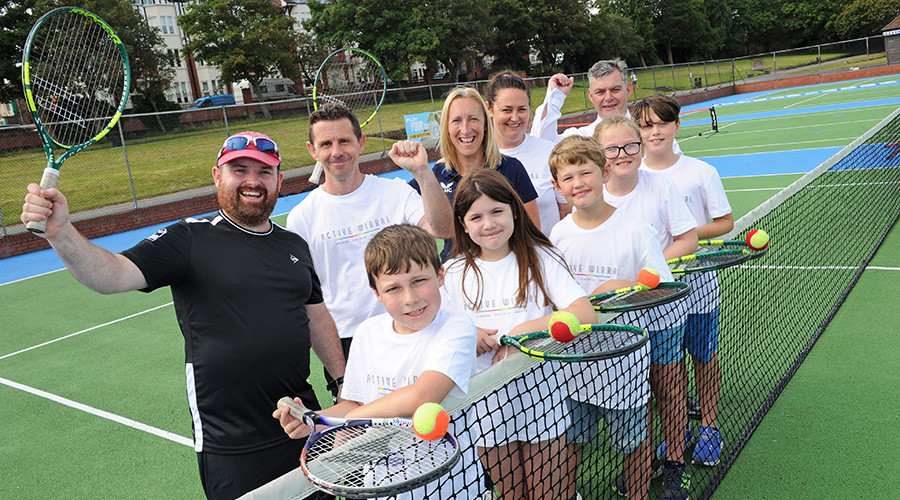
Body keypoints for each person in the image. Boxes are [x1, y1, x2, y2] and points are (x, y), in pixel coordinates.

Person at [20, 131, 347, 500]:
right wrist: (61, 233)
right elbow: (110, 275)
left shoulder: (293, 244)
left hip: (302, 423)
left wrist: (341, 382)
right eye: (239, 170)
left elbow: (316, 317)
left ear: (279, 181)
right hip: (232, 444)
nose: (253, 181)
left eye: (264, 172)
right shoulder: (188, 239)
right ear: (217, 176)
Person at [274, 223, 480, 498]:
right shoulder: (368, 333)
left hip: (450, 488)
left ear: (440, 275)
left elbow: (422, 396)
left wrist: (353, 419)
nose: (410, 298)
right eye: (393, 288)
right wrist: (317, 421)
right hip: (381, 488)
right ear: (376, 294)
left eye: (419, 280)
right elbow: (356, 404)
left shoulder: (456, 328)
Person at [440, 169, 596, 500]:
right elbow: (440, 334)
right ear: (463, 223)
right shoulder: (453, 273)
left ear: (514, 209)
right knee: (513, 494)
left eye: (497, 211)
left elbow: (584, 313)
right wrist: (470, 334)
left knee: (550, 494)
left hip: (542, 399)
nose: (489, 223)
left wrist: (519, 334)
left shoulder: (542, 258)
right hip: (486, 407)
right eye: (476, 216)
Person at [548, 135, 682, 499]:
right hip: (573, 362)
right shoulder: (558, 235)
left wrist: (617, 286)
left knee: (633, 444)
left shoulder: (636, 230)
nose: (579, 183)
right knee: (569, 441)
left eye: (586, 172)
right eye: (568, 177)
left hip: (624, 363)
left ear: (605, 172)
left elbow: (665, 289)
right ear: (557, 187)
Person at [286, 103, 454, 393]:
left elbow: (442, 229)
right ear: (312, 150)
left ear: (360, 143)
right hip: (349, 345)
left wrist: (422, 170)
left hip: (413, 325)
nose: (336, 151)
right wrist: (341, 377)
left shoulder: (396, 192)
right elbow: (308, 303)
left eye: (344, 141)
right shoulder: (301, 217)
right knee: (365, 434)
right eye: (326, 143)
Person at [593, 116, 698, 500]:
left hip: (662, 314)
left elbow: (687, 240)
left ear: (640, 146)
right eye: (612, 149)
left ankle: (673, 462)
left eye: (630, 146)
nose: (623, 155)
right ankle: (640, 464)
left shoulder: (660, 185)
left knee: (668, 389)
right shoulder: (593, 191)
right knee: (634, 397)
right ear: (599, 154)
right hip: (617, 323)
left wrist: (647, 276)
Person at [633, 94, 734, 468]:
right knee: (666, 370)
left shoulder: (700, 172)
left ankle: (708, 426)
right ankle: (677, 435)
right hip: (654, 295)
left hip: (699, 286)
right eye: (646, 125)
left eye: (661, 123)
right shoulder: (630, 176)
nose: (654, 131)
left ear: (676, 126)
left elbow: (726, 222)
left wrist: (682, 235)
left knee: (704, 358)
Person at [407, 86, 540, 261]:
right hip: (456, 277)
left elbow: (532, 235)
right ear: (446, 127)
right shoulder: (434, 176)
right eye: (456, 121)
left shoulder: (511, 168)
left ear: (485, 124)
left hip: (506, 271)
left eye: (473, 119)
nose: (466, 129)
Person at [531, 58, 682, 154]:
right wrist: (555, 97)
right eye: (600, 92)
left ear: (628, 89)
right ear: (590, 96)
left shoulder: (653, 135)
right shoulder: (582, 139)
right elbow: (542, 142)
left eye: (615, 89)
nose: (608, 98)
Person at [484, 70, 571, 234]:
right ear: (489, 108)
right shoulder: (479, 158)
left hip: (547, 255)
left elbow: (566, 213)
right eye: (507, 110)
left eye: (522, 109)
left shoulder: (549, 152)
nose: (515, 118)